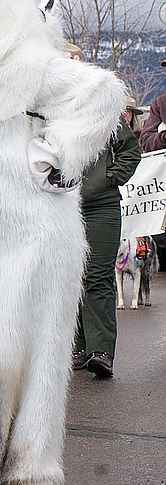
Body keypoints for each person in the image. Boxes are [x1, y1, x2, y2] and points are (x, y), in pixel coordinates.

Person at [73, 93, 142, 378]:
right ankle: (78, 345)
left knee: (97, 275)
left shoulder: (103, 110)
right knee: (70, 277)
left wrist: (108, 178)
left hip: (101, 207)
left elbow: (131, 151)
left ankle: (101, 351)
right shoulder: (49, 108)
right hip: (60, 206)